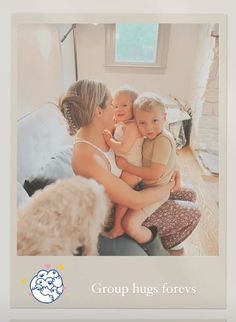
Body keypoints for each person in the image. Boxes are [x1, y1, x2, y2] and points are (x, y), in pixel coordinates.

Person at [58, 79, 200, 256]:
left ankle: (164, 237)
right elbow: (134, 200)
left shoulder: (103, 126)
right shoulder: (87, 158)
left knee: (191, 194)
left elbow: (146, 138)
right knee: (193, 212)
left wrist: (172, 168)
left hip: (134, 187)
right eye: (112, 104)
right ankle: (162, 252)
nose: (116, 109)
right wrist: (167, 186)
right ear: (98, 111)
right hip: (117, 212)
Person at [116, 92, 201, 252]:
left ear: (164, 117)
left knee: (130, 225)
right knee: (189, 194)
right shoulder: (151, 137)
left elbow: (154, 173)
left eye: (154, 121)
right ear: (136, 122)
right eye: (142, 123)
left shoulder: (161, 140)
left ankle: (157, 249)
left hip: (156, 191)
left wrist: (127, 167)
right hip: (151, 187)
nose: (149, 128)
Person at [102, 85, 144, 238]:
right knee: (118, 195)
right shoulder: (122, 124)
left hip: (132, 169)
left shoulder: (132, 127)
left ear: (135, 108)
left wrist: (109, 140)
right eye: (115, 106)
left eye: (124, 105)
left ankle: (118, 227)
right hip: (125, 167)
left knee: (123, 199)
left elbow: (124, 148)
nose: (118, 109)